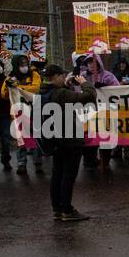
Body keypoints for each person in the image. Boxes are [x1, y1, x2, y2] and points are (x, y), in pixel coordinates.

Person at [36, 64, 97, 221]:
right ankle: (67, 210)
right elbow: (89, 96)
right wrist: (84, 83)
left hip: (54, 139)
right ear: (55, 77)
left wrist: (67, 84)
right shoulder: (60, 93)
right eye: (61, 76)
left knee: (57, 174)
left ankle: (57, 208)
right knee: (68, 175)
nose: (63, 78)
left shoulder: (42, 92)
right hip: (69, 139)